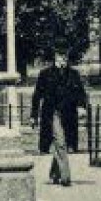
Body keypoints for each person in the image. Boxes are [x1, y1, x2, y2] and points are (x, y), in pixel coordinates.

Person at [31, 53, 87, 187]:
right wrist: (34, 116)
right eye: (60, 58)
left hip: (68, 114)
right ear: (55, 58)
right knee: (60, 142)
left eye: (65, 58)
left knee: (63, 143)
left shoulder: (73, 74)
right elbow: (37, 95)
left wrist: (81, 106)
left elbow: (80, 93)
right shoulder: (45, 74)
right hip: (52, 114)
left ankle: (54, 173)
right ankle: (65, 176)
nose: (63, 61)